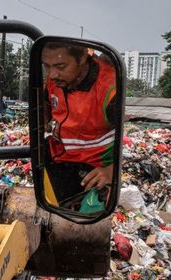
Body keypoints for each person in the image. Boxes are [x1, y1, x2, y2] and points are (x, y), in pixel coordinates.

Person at [41, 42, 117, 203]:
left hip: (93, 170)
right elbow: (44, 108)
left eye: (60, 66)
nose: (52, 74)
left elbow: (127, 138)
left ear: (82, 57)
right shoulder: (55, 80)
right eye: (47, 66)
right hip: (58, 157)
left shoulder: (109, 89)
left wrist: (111, 171)